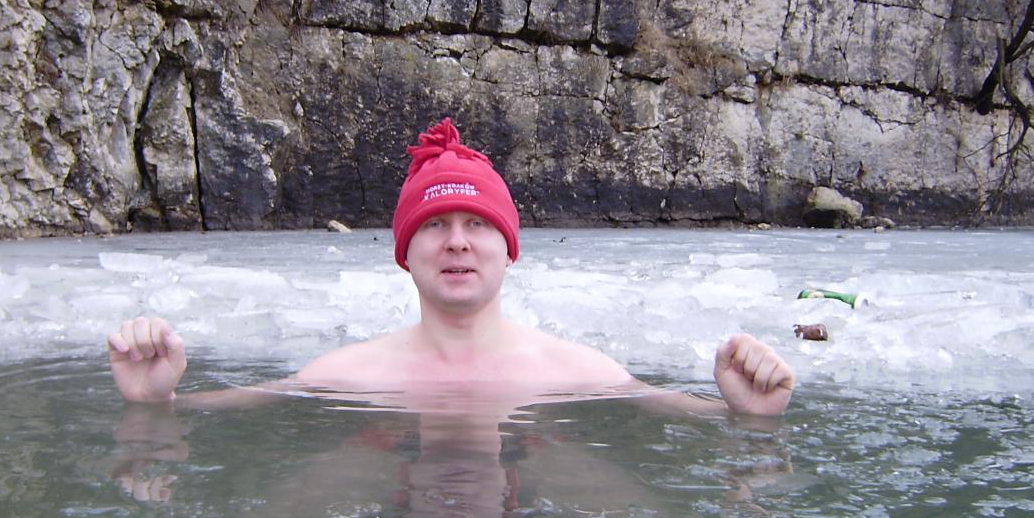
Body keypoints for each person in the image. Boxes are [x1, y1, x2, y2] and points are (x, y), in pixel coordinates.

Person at [108, 117, 795, 417]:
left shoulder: (580, 372)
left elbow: (695, 416)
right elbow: (209, 412)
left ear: (509, 248)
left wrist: (748, 415)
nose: (457, 242)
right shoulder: (347, 374)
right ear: (405, 254)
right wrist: (155, 403)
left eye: (478, 224)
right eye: (434, 225)